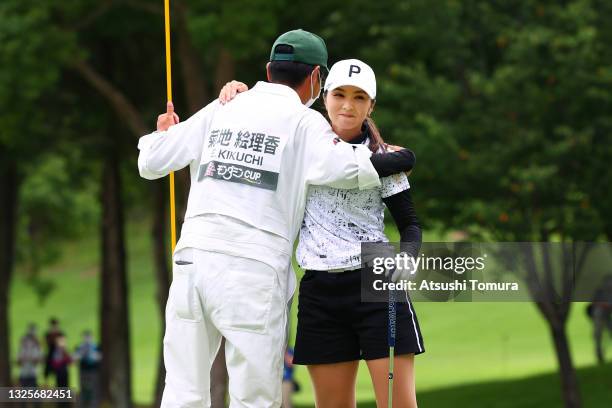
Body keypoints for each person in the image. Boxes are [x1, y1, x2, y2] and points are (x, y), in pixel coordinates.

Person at [138, 29, 415, 407]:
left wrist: (161, 135)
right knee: (255, 399)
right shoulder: (304, 122)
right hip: (252, 270)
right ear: (317, 78)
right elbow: (352, 168)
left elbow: (151, 161)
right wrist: (402, 158)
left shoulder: (224, 105)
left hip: (192, 262)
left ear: (269, 69)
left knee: (183, 392)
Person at [221, 59, 424, 407]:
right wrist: (238, 93)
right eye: (340, 94)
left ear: (371, 105)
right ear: (324, 96)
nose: (348, 105)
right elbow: (257, 123)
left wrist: (407, 259)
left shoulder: (383, 156)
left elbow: (410, 224)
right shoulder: (300, 144)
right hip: (319, 290)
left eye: (360, 98)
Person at [587, 275, 612, 364]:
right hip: (598, 315)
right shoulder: (600, 292)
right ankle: (599, 353)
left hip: (607, 315)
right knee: (598, 334)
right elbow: (595, 303)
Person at [74, 330, 101, 407]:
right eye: (85, 337)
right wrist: (81, 354)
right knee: (84, 389)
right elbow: (75, 358)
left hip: (93, 371)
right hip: (83, 371)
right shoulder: (79, 347)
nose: (87, 339)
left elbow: (99, 358)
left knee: (94, 389)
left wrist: (91, 354)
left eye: (88, 337)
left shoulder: (96, 347)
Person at [17, 323, 42, 387]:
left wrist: (32, 359)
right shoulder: (22, 348)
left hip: (32, 372)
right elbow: (18, 361)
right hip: (24, 372)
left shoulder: (37, 347)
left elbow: (38, 360)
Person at [44, 318, 63, 383]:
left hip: (58, 357)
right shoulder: (48, 334)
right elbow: (46, 344)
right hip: (50, 356)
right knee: (47, 375)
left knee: (59, 375)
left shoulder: (60, 334)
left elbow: (61, 346)